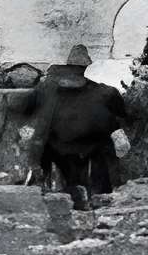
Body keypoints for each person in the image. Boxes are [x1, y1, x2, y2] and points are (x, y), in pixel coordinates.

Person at [16, 43, 137, 208]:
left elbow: (22, 108)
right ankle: (95, 198)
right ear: (85, 68)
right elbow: (125, 115)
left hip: (69, 150)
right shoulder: (103, 93)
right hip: (76, 150)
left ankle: (53, 192)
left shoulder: (47, 89)